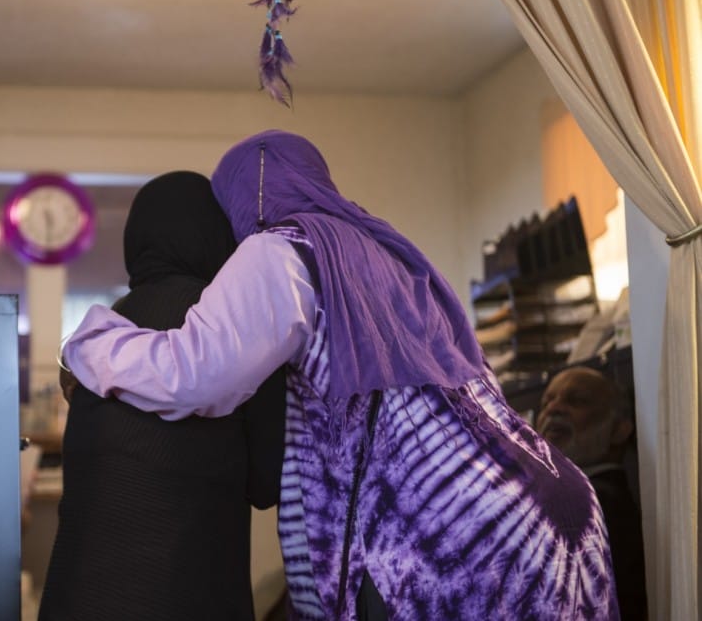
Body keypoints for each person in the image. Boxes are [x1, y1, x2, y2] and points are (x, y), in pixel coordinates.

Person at [63, 130, 619, 620]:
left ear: (250, 196)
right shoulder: (385, 253)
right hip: (546, 502)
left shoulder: (280, 251)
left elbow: (195, 373)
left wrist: (90, 344)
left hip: (446, 533)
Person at [39, 171, 286, 621]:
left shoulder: (97, 334)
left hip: (78, 598)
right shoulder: (236, 334)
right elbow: (266, 485)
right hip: (186, 596)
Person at [538, 366, 647, 620]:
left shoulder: (596, 503)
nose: (554, 408)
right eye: (546, 402)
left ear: (620, 430)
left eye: (576, 401)